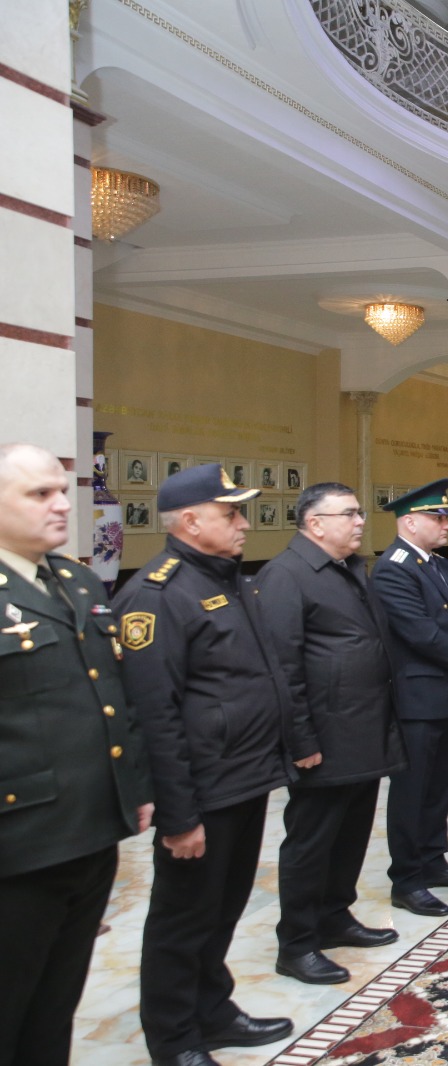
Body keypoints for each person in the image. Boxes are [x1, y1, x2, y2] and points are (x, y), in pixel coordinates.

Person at [113, 464, 297, 1066]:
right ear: (191, 521)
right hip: (202, 789)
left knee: (224, 907)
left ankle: (213, 1010)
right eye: (231, 514)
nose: (244, 524)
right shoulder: (156, 595)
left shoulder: (230, 579)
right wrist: (178, 815)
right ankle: (175, 1037)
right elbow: (154, 718)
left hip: (244, 776)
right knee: (183, 918)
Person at [0, 443, 153, 1066]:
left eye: (62, 490)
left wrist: (135, 786)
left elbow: (113, 696)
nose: (63, 504)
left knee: (55, 1003)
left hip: (90, 835)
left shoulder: (76, 580)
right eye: (40, 494)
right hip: (20, 847)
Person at [255, 482, 406, 986]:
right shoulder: (286, 575)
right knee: (312, 840)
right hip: (323, 736)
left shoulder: (347, 570)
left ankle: (334, 916)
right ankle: (297, 943)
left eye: (360, 512)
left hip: (362, 730)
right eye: (348, 514)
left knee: (351, 833)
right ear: (314, 523)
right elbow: (283, 667)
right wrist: (300, 741)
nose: (360, 521)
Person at [369, 480, 448, 919]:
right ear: (410, 522)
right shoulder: (393, 568)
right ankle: (407, 879)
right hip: (416, 695)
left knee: (439, 786)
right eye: (438, 518)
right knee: (412, 791)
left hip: (444, 692)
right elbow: (418, 632)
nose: (447, 525)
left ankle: (433, 860)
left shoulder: (438, 565)